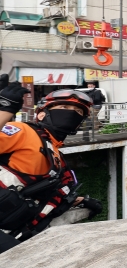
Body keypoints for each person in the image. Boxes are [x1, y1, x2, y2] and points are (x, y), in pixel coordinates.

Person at [0, 82, 102, 254]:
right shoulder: (22, 130)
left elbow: (42, 194)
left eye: (78, 112)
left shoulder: (56, 156)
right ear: (41, 115)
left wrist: (82, 201)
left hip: (14, 227)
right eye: (64, 107)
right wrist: (4, 110)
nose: (72, 113)